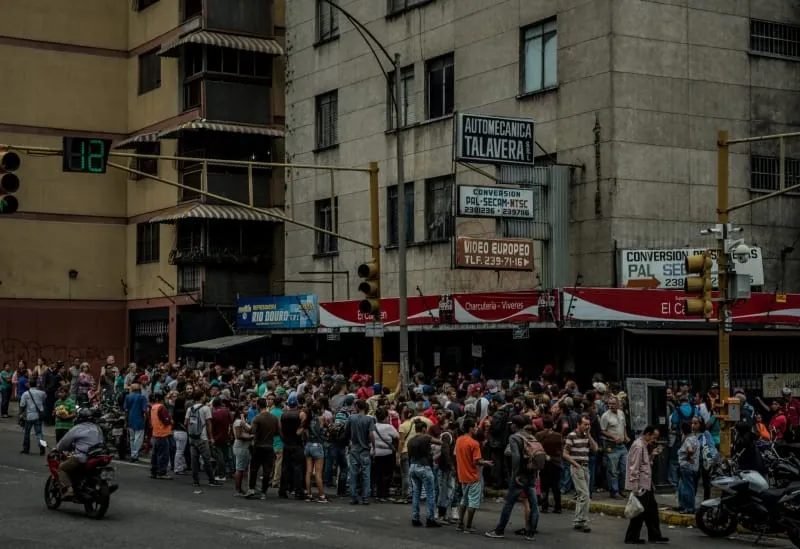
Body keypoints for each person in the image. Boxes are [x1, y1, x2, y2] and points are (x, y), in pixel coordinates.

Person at [485, 415, 546, 540]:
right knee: (534, 504)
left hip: (520, 475)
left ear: (514, 425)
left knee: (509, 503)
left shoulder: (514, 437)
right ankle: (531, 533)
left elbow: (516, 457)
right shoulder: (530, 436)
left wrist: (516, 474)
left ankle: (499, 530)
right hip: (531, 474)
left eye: (511, 424)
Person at [624, 425, 669, 545]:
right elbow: (634, 468)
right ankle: (631, 537)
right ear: (648, 434)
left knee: (652, 510)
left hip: (646, 484)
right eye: (654, 437)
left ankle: (655, 535)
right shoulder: (638, 446)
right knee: (639, 511)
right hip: (641, 486)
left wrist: (652, 455)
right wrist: (635, 488)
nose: (654, 440)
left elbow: (645, 463)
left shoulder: (644, 445)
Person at [455, 417, 493, 534]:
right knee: (473, 502)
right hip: (473, 476)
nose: (477, 428)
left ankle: (460, 523)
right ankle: (468, 525)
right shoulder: (474, 443)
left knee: (464, 500)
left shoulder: (459, 440)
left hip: (462, 475)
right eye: (475, 427)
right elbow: (477, 461)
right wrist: (485, 462)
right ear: (471, 428)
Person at [56, 407, 105, 497]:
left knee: (61, 467)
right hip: (98, 456)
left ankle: (69, 490)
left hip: (83, 457)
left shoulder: (77, 428)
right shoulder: (97, 428)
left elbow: (63, 444)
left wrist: (58, 448)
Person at [564, 414, 598, 533]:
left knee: (581, 496)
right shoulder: (571, 436)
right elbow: (565, 454)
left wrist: (589, 435)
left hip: (585, 467)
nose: (587, 426)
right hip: (577, 467)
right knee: (585, 495)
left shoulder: (586, 436)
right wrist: (576, 464)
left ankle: (578, 520)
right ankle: (583, 521)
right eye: (585, 424)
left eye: (588, 424)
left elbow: (595, 448)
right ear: (578, 424)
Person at [407, 418, 441, 527]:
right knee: (430, 493)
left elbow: (409, 456)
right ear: (423, 429)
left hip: (412, 467)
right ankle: (430, 519)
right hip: (424, 466)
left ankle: (415, 518)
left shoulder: (410, 440)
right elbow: (439, 442)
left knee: (416, 493)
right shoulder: (425, 437)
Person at [19, 379, 47, 455]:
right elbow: (45, 398)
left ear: (29, 384)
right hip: (38, 416)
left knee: (27, 433)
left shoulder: (25, 394)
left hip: (29, 415)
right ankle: (42, 447)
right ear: (37, 384)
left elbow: (22, 405)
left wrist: (20, 414)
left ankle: (26, 449)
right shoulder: (42, 393)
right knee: (39, 433)